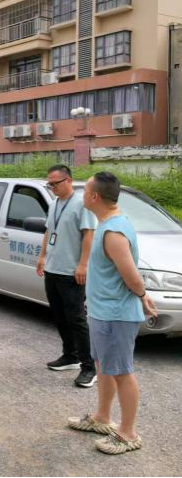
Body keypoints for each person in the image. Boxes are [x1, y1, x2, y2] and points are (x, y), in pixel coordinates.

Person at [68, 172, 158, 455]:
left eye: (85, 191)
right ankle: (102, 418)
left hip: (115, 314)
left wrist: (142, 296)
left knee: (121, 372)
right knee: (104, 366)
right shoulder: (106, 224)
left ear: (94, 197)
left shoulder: (113, 233)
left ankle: (128, 433)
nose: (82, 195)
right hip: (102, 312)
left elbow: (131, 275)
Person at [36, 165, 98, 388]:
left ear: (68, 181)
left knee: (77, 319)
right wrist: (42, 256)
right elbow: (48, 231)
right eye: (49, 184)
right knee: (59, 315)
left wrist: (83, 264)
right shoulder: (54, 204)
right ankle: (70, 356)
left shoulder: (82, 204)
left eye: (55, 183)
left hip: (72, 272)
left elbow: (89, 234)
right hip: (53, 269)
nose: (52, 187)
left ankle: (89, 368)